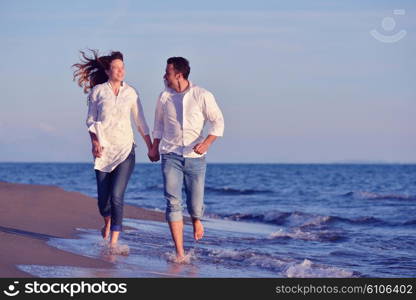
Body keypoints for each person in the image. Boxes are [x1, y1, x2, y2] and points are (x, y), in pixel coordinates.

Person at [72, 50, 152, 247]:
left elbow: (140, 122)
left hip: (126, 150)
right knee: (103, 200)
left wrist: (151, 147)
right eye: (115, 68)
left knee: (117, 195)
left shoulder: (131, 92)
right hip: (104, 152)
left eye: (122, 67)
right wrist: (95, 142)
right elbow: (90, 121)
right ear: (107, 71)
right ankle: (107, 219)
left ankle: (114, 242)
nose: (120, 71)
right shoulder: (98, 91)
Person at [148, 57, 224, 262]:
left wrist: (207, 143)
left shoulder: (202, 95)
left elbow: (218, 122)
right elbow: (158, 125)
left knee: (195, 203)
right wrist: (154, 147)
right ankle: (180, 253)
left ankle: (196, 219)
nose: (164, 76)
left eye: (167, 72)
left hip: (195, 156)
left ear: (178, 75)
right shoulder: (164, 96)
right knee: (172, 202)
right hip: (170, 154)